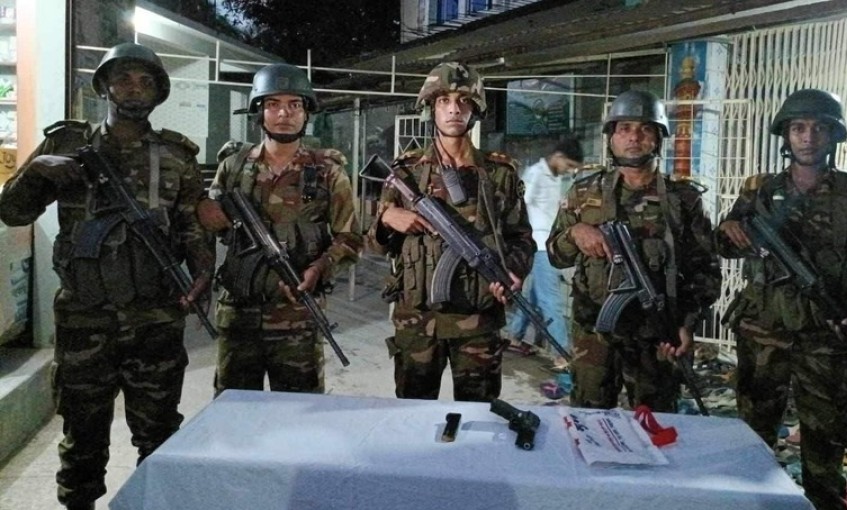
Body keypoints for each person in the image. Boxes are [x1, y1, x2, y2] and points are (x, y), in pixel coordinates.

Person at [0, 42, 214, 510]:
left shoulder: (176, 156)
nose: (134, 89)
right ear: (105, 87)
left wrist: (203, 274)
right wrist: (38, 170)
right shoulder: (66, 144)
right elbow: (13, 212)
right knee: (82, 437)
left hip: (155, 318)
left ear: (159, 92)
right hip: (84, 319)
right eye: (123, 79)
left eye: (145, 81)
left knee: (158, 436)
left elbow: (192, 228)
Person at [717, 88, 847, 510]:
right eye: (799, 128)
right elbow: (723, 242)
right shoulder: (759, 190)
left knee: (826, 451)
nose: (808, 137)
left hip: (828, 337)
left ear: (833, 136)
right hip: (763, 334)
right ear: (786, 135)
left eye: (819, 128)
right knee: (754, 440)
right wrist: (729, 232)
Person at [367, 62, 535, 402]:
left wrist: (513, 271)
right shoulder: (405, 172)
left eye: (463, 100)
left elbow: (522, 238)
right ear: (431, 107)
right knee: (412, 421)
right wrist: (387, 219)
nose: (454, 108)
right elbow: (372, 243)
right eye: (444, 100)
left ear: (475, 109)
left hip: (478, 325)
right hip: (417, 324)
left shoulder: (498, 174)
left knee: (479, 419)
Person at [546, 89, 721, 412]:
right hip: (594, 334)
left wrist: (686, 323)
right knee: (589, 423)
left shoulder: (683, 200)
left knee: (656, 427)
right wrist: (575, 231)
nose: (634, 137)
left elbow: (706, 272)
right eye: (624, 128)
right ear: (611, 137)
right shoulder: (584, 192)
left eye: (645, 129)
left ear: (658, 138)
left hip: (656, 336)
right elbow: (556, 254)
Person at [196, 63, 362, 395]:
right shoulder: (234, 166)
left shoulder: (327, 171)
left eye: (294, 105)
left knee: (298, 419)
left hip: (297, 318)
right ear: (259, 112)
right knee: (235, 417)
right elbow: (208, 223)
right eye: (273, 104)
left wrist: (320, 267)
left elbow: (351, 238)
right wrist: (205, 213)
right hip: (238, 316)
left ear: (306, 113)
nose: (284, 113)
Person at [505, 138, 582, 365]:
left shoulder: (553, 177)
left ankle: (515, 336)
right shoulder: (535, 174)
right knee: (551, 301)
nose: (569, 171)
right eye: (568, 165)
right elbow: (520, 208)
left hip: (549, 245)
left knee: (534, 296)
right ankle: (563, 353)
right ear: (557, 157)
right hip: (538, 246)